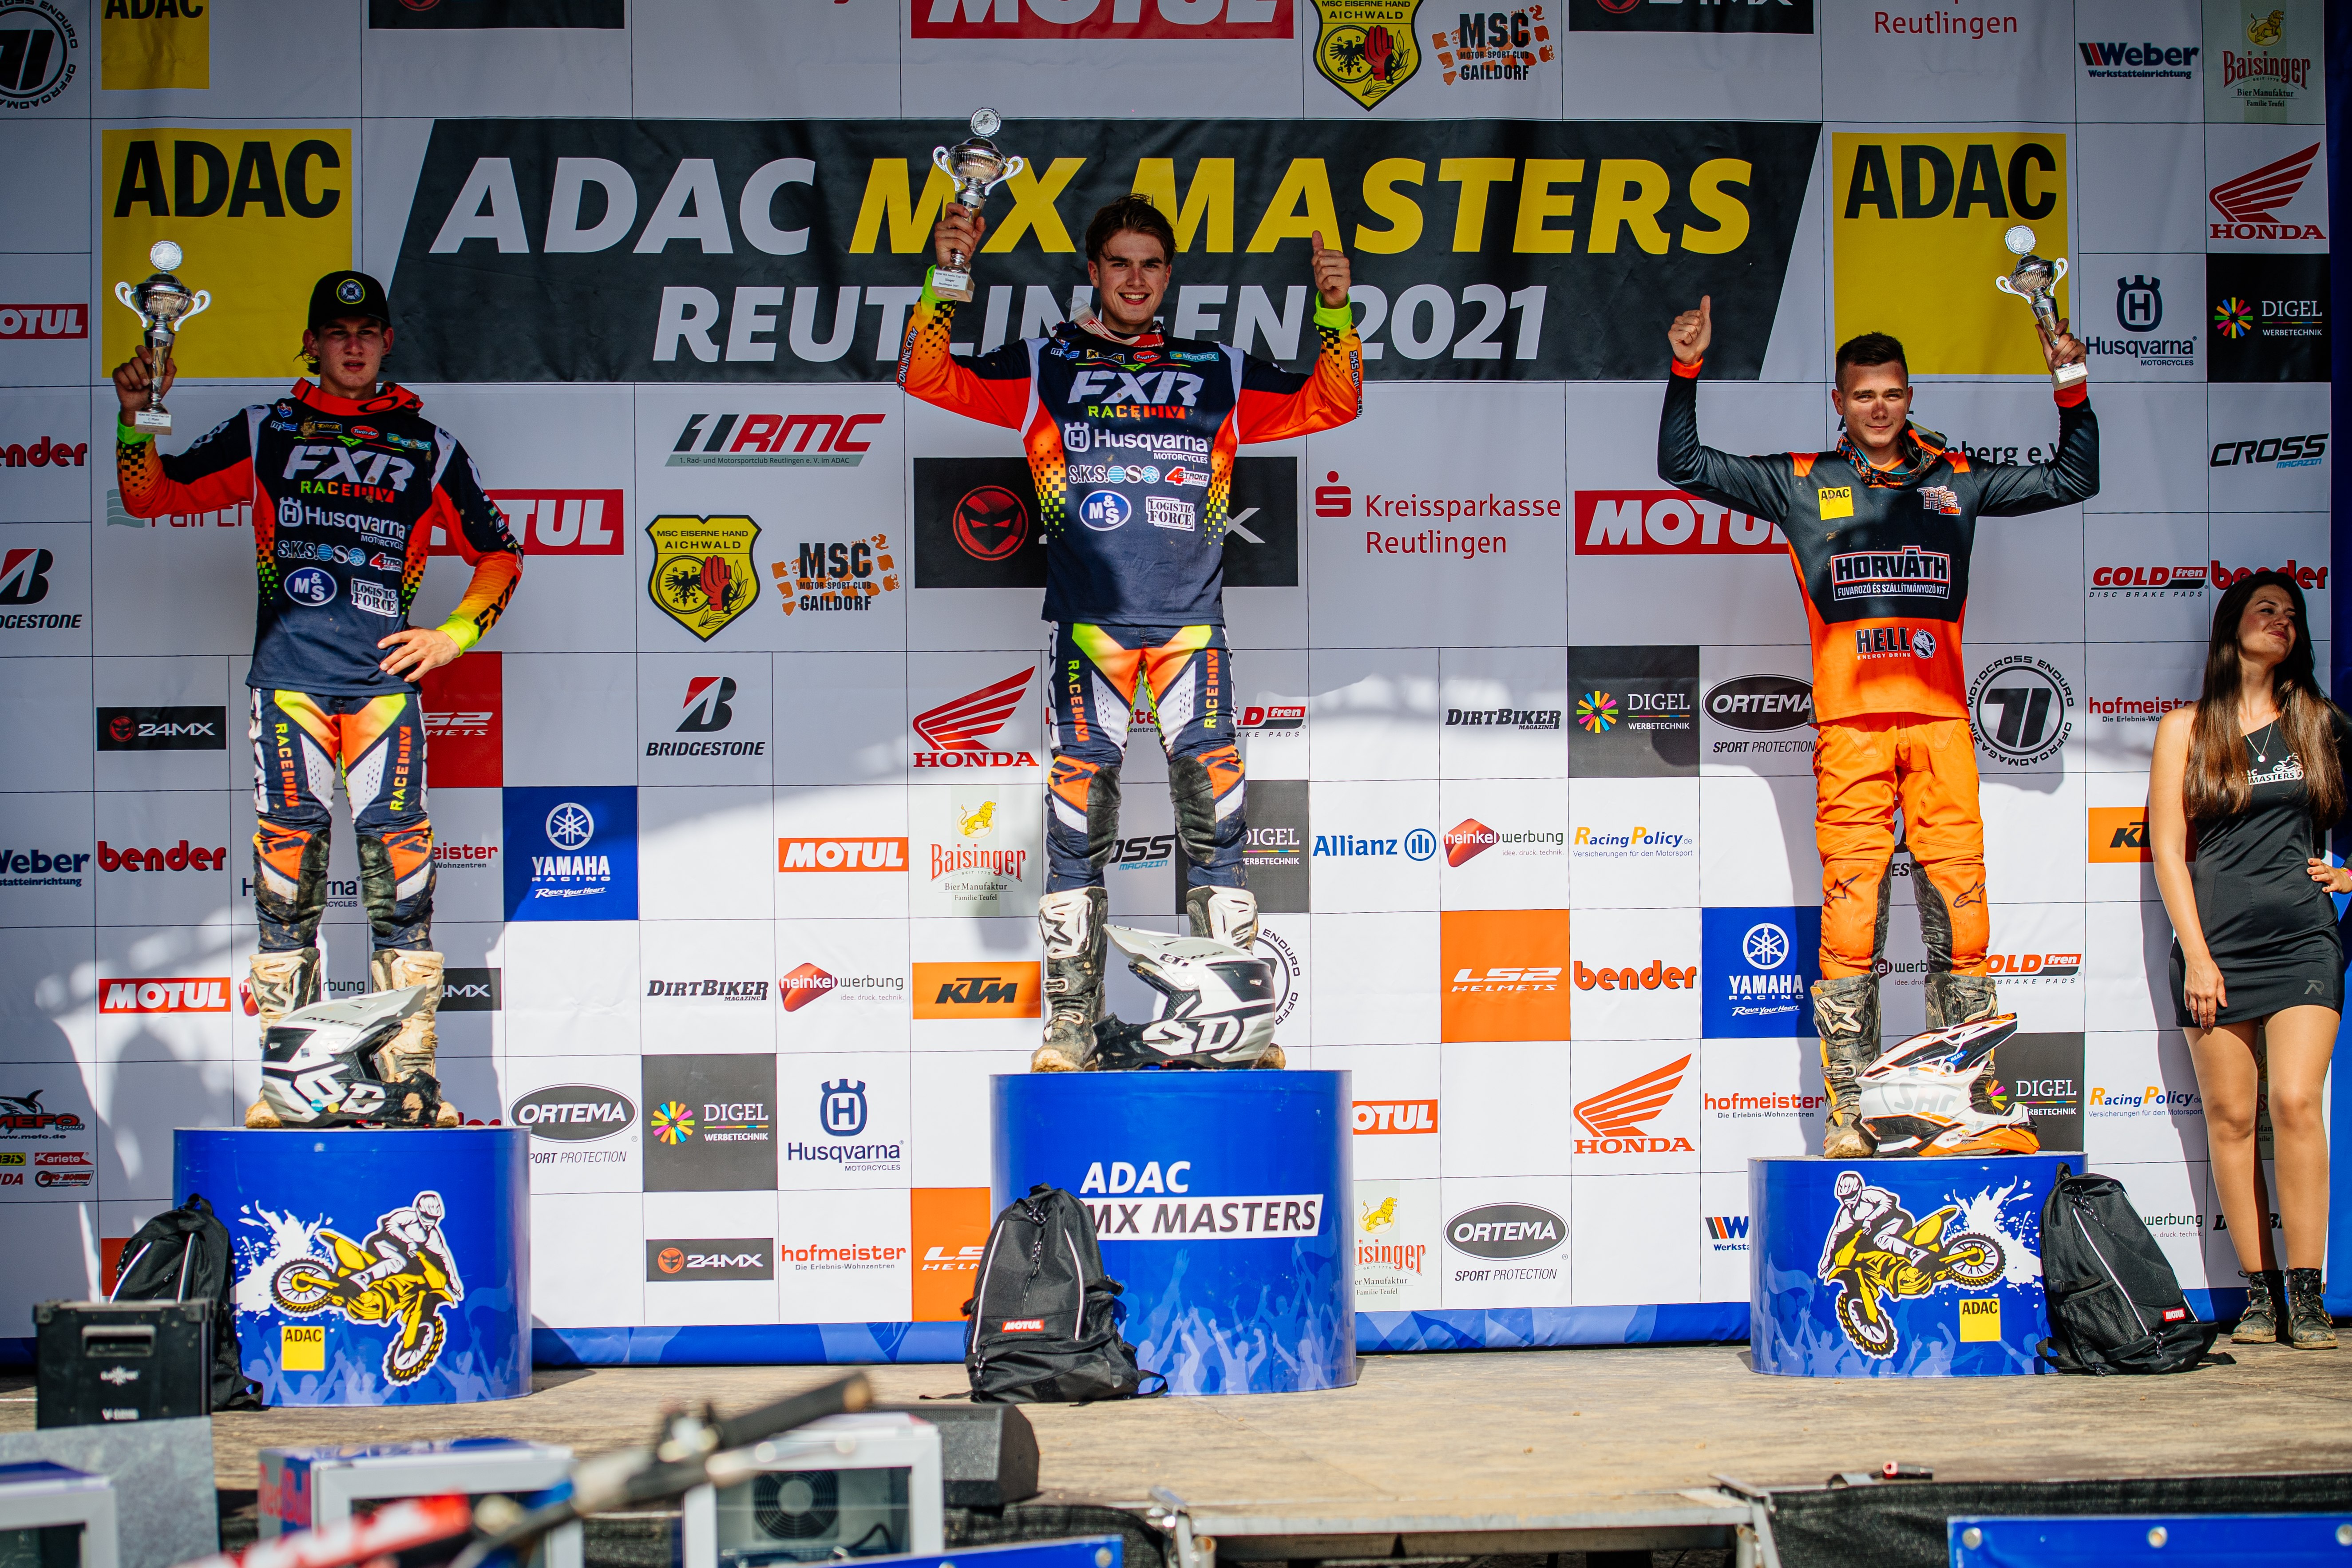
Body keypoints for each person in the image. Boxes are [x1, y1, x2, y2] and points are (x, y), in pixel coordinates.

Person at [900, 194, 1361, 1071]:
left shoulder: (1216, 366)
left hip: (1190, 628)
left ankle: (1236, 1027)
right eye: (1120, 263)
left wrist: (1335, 310)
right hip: (1089, 630)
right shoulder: (1046, 362)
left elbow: (1333, 399)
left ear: (1169, 274)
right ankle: (1072, 1027)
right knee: (1076, 828)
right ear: (1094, 271)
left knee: (1218, 824)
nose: (1136, 279)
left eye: (1151, 264)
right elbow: (926, 375)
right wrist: (946, 274)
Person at [1659, 298, 2097, 1156]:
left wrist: (2070, 382)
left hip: (1939, 726)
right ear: (1839, 401)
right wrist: (1685, 368)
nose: (1879, 407)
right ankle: (1851, 1115)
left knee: (1962, 915)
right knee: (1852, 919)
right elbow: (1683, 463)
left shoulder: (1956, 479)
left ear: (1908, 396)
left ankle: (1962, 1106)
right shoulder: (1799, 479)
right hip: (1850, 729)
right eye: (1863, 395)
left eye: (1892, 393)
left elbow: (2072, 478)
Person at [111, 271, 523, 1127]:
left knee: (402, 890)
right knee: (285, 885)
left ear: (387, 342)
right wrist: (136, 416)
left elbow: (500, 553)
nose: (354, 344)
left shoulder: (429, 446)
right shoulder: (267, 429)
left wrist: (453, 636)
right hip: (291, 685)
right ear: (312, 343)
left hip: (382, 692)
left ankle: (412, 1084)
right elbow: (151, 496)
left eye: (367, 331)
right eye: (338, 332)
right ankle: (289, 1086)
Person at [2148, 570, 2344, 1350]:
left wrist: (2350, 876)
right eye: (2266, 609)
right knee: (2231, 1120)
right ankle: (2260, 1295)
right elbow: (2168, 852)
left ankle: (2308, 1294)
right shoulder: (2185, 728)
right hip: (2215, 951)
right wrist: (2197, 957)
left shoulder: (2316, 722)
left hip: (2302, 940)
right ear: (2232, 624)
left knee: (2294, 1102)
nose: (2281, 621)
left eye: (2291, 614)